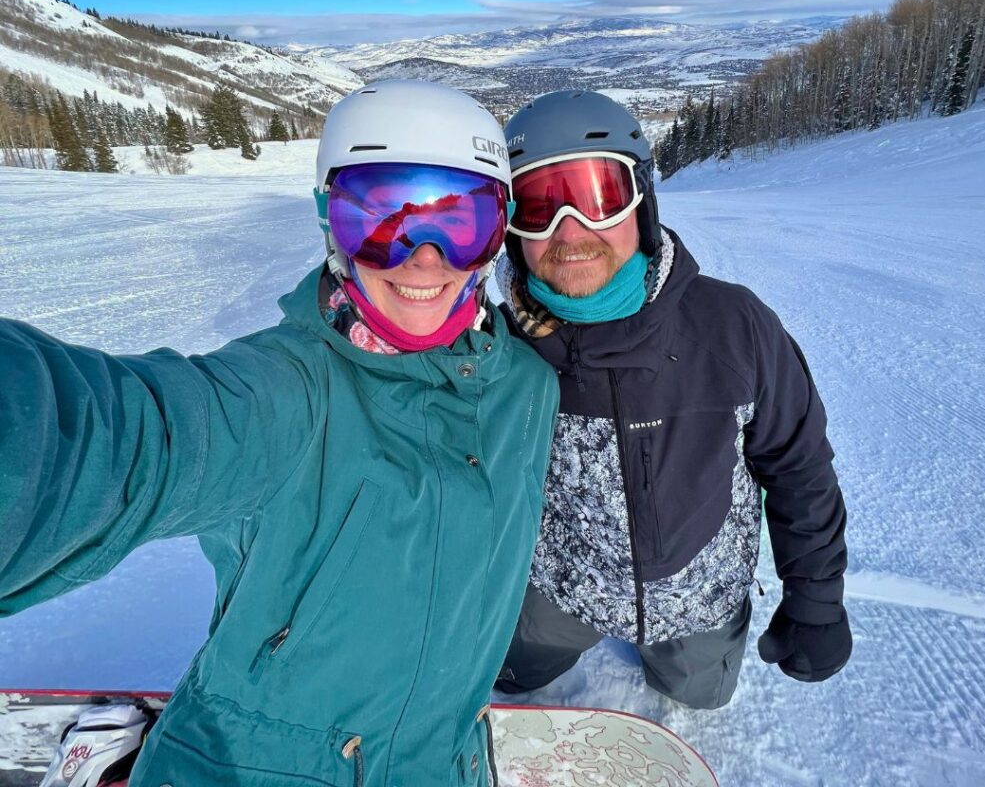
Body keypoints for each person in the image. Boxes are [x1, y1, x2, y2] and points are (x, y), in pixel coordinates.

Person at [0, 80, 558, 786]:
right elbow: (125, 440)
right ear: (332, 224)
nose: (424, 257)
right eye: (383, 221)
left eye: (461, 222)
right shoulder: (285, 391)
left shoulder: (525, 389)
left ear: (497, 236)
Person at [493, 90, 850, 709]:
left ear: (643, 203)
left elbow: (799, 468)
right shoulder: (496, 353)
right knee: (511, 675)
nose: (569, 232)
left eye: (598, 198)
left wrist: (815, 602)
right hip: (557, 593)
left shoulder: (735, 328)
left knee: (701, 697)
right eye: (538, 206)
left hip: (699, 600)